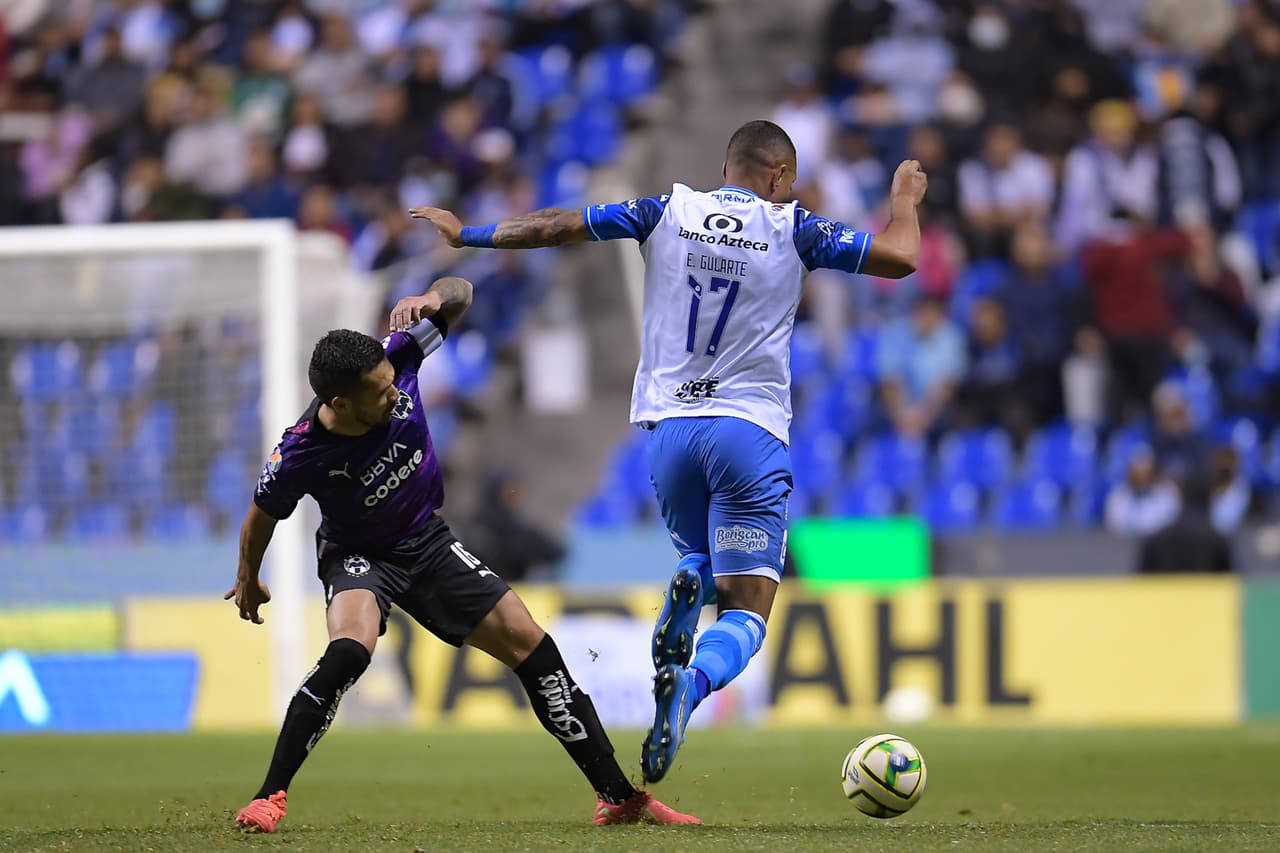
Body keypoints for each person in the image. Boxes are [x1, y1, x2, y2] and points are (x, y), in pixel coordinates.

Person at [408, 120, 926, 783]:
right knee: (748, 605)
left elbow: (558, 226)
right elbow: (901, 256)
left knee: (698, 557)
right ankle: (690, 683)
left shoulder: (667, 210)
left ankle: (689, 585)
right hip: (748, 431)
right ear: (778, 175)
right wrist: (905, 199)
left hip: (668, 433)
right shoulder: (794, 226)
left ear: (725, 164)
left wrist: (467, 234)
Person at [225, 276, 698, 832]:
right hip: (358, 555)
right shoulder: (300, 451)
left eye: (390, 383)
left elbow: (463, 292)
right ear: (339, 403)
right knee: (350, 651)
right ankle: (269, 796)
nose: (395, 394)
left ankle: (617, 798)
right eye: (378, 394)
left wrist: (433, 296)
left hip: (428, 541)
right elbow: (261, 516)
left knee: (535, 649)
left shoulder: (399, 356)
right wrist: (248, 576)